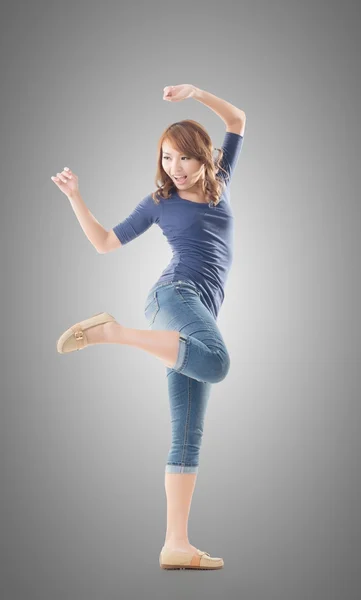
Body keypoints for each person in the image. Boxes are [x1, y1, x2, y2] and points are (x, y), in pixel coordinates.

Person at [52, 84, 246, 570]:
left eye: (183, 158)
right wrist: (76, 197)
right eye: (166, 158)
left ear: (204, 158)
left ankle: (175, 544)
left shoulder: (220, 179)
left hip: (193, 314)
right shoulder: (159, 202)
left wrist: (197, 92)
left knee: (187, 434)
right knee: (217, 363)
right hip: (172, 298)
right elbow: (104, 242)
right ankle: (112, 332)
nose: (174, 168)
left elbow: (238, 119)